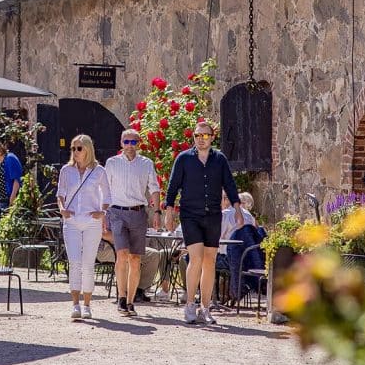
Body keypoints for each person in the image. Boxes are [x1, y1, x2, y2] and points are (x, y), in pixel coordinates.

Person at [164, 120, 244, 325]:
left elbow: (230, 184)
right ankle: (190, 304)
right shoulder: (183, 159)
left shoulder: (219, 159)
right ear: (194, 138)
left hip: (213, 215)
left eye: (205, 135)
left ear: (212, 137)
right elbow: (173, 187)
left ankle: (205, 308)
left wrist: (237, 210)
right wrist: (169, 212)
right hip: (190, 215)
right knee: (196, 258)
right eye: (197, 136)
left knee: (210, 260)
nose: (201, 139)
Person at [105, 128, 160, 317]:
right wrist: (104, 214)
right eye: (126, 142)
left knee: (135, 259)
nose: (129, 146)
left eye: (133, 142)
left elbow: (154, 188)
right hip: (117, 212)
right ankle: (121, 297)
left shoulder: (146, 164)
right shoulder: (112, 163)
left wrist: (157, 211)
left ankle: (130, 302)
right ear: (121, 143)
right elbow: (105, 189)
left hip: (138, 213)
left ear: (138, 144)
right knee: (122, 254)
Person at [57, 134, 111, 320]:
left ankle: (87, 304)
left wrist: (102, 212)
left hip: (91, 221)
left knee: (88, 263)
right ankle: (75, 304)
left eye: (79, 148)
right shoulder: (66, 170)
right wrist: (62, 209)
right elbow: (60, 193)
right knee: (74, 263)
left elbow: (107, 194)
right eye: (73, 148)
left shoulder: (99, 171)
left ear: (88, 149)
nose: (75, 152)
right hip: (71, 220)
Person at [0, 139, 23, 217]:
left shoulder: (10, 158)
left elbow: (16, 180)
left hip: (9, 199)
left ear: (0, 149)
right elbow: (1, 183)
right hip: (1, 201)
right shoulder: (0, 161)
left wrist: (12, 198)